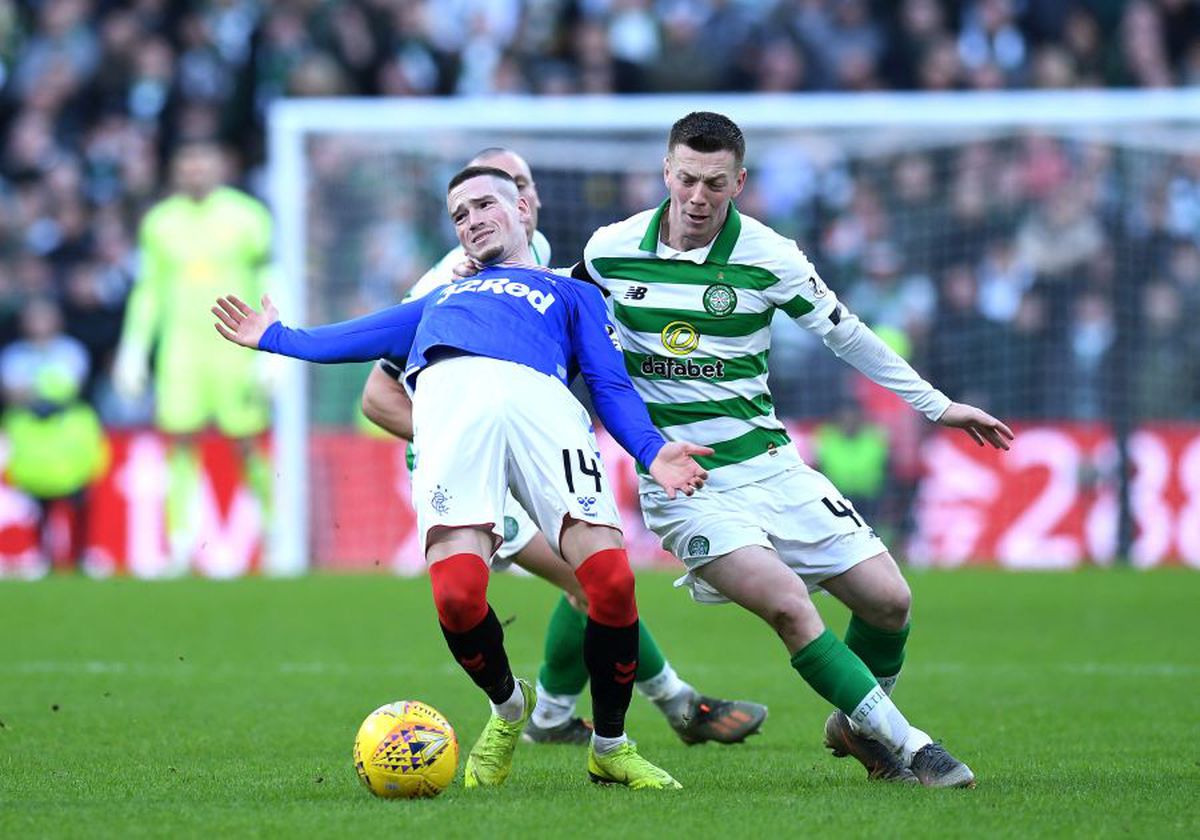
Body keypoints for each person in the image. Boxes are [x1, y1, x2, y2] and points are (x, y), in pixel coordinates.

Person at [212, 166, 712, 791]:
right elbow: (361, 336)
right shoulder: (441, 298)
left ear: (523, 209)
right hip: (452, 425)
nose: (472, 220)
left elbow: (609, 384)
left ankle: (610, 746)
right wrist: (277, 337)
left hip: (545, 418)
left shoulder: (571, 292)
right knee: (456, 596)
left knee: (610, 580)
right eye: (459, 214)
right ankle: (508, 707)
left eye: (483, 204)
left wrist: (652, 452)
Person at [570, 112, 1013, 787]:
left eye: (715, 183)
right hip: (684, 483)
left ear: (740, 182)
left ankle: (856, 725)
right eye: (686, 179)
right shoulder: (609, 250)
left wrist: (936, 405)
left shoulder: (770, 255)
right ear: (666, 172)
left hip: (771, 465)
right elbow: (558, 313)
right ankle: (916, 747)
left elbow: (847, 333)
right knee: (788, 605)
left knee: (889, 601)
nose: (697, 197)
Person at [361, 147, 767, 747]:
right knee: (585, 577)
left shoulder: (538, 254)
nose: (516, 197)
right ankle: (672, 704)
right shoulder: (453, 274)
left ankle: (557, 713)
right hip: (464, 465)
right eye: (487, 197)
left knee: (591, 575)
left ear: (529, 200)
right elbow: (377, 395)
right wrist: (462, 437)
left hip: (516, 443)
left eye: (522, 183)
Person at [112, 139, 273, 571]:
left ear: (220, 166)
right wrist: (133, 349)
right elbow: (148, 290)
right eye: (187, 164)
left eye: (203, 163)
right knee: (179, 441)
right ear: (175, 171)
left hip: (236, 347)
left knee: (247, 442)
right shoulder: (160, 223)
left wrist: (272, 349)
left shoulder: (248, 217)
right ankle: (181, 546)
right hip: (180, 349)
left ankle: (274, 536)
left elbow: (269, 280)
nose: (195, 171)